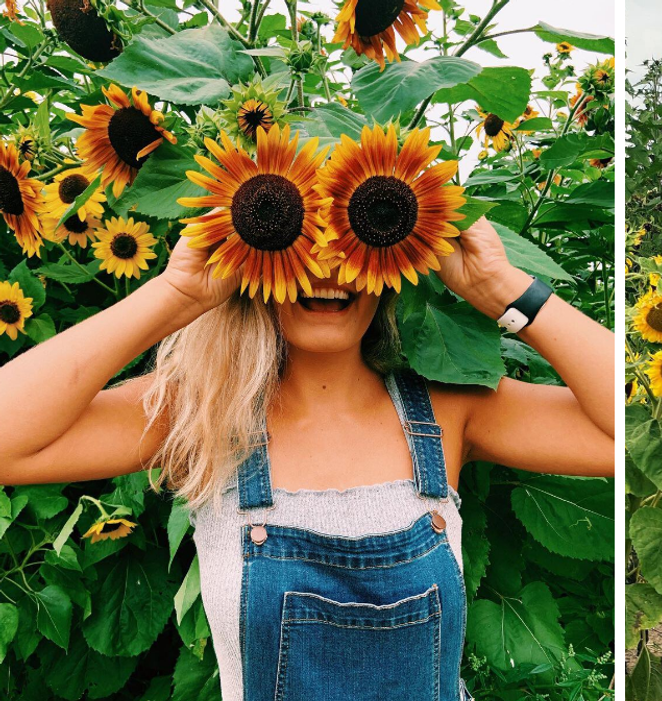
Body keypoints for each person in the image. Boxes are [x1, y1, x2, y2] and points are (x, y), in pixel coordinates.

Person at [0, 215, 614, 700]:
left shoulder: (450, 411)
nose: (328, 264)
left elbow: (630, 434)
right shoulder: (202, 416)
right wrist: (178, 293)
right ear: (251, 255)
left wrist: (503, 290)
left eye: (356, 235)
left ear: (395, 259)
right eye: (300, 235)